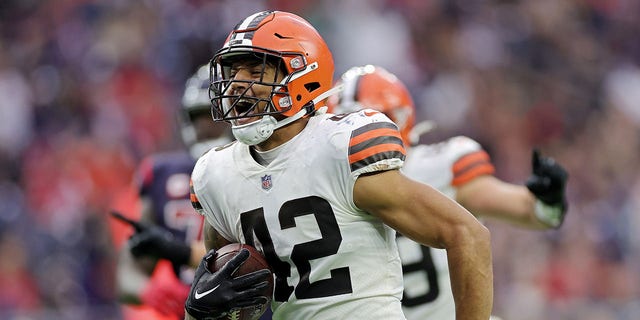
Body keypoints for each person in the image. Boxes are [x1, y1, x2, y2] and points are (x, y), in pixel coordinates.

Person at [185, 10, 493, 320]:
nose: (237, 84)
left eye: (255, 71)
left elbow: (467, 235)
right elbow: (224, 298)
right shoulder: (217, 175)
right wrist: (198, 309)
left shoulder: (339, 147)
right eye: (233, 71)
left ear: (303, 76)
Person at [329, 64, 569, 320]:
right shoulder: (323, 184)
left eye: (361, 124)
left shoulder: (437, 166)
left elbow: (526, 210)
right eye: (343, 126)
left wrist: (547, 201)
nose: (353, 137)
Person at [114, 64, 232, 320]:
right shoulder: (162, 174)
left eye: (213, 116)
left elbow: (253, 256)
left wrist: (178, 250)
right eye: (198, 116)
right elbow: (129, 272)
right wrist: (151, 292)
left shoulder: (258, 168)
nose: (205, 126)